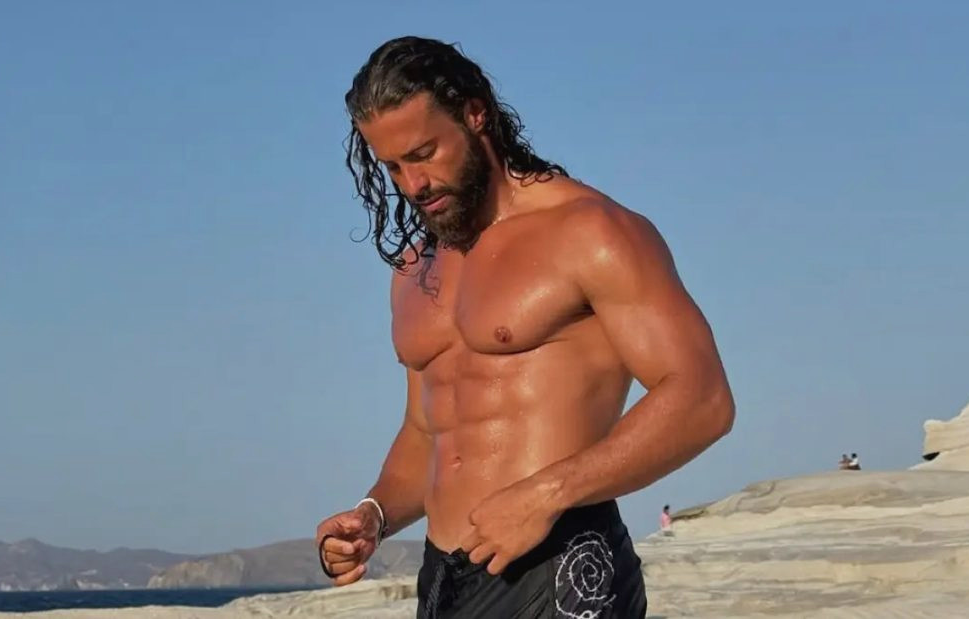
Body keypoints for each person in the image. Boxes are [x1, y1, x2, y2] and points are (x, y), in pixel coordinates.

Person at [314, 36, 735, 619]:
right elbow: (426, 431)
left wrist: (548, 494)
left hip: (562, 564)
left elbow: (703, 398)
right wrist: (375, 514)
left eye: (424, 153)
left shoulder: (590, 232)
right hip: (445, 579)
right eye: (393, 167)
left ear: (475, 114)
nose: (413, 184)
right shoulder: (414, 271)